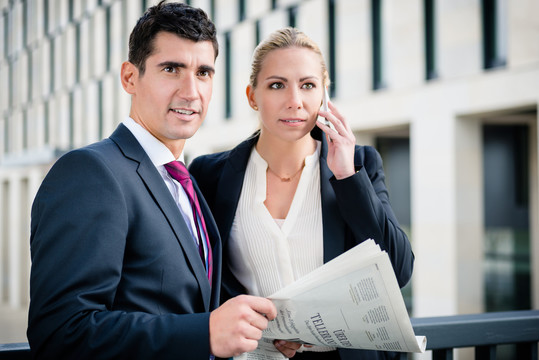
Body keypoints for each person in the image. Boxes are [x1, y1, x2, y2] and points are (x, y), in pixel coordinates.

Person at [27, 2, 290, 359]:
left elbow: (183, 306)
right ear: (130, 78)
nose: (191, 91)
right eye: (171, 69)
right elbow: (61, 332)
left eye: (203, 73)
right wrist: (205, 332)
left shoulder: (188, 181)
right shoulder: (91, 173)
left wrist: (259, 332)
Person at [189, 27, 415, 360]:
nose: (294, 101)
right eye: (277, 85)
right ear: (253, 95)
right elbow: (203, 279)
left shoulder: (360, 164)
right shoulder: (210, 174)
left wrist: (346, 175)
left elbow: (399, 269)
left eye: (308, 85)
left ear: (324, 93)